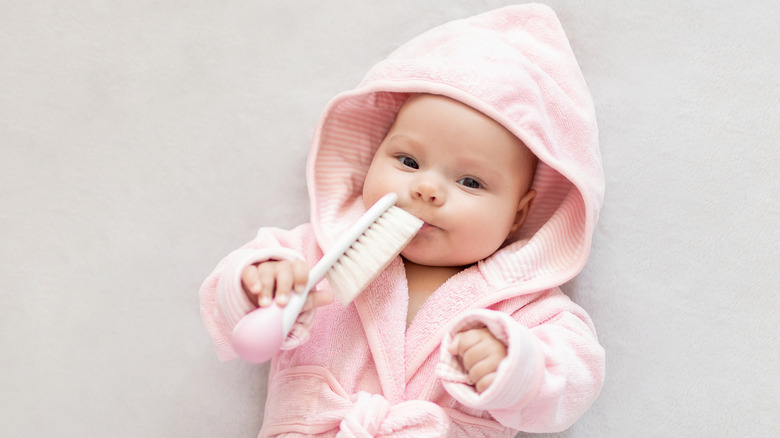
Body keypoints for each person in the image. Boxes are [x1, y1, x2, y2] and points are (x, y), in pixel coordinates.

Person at [200, 4, 605, 436]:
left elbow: (575, 379)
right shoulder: (314, 253)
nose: (427, 189)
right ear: (373, 154)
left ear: (518, 214)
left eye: (470, 181)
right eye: (408, 160)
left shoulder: (526, 305)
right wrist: (258, 285)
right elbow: (226, 304)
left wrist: (514, 366)